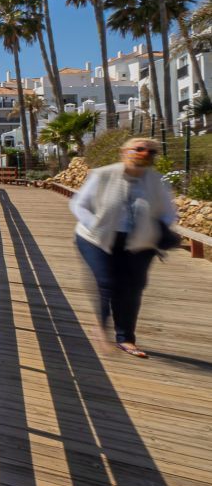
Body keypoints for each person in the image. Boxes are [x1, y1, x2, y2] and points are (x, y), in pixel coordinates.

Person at [70, 137, 177, 358]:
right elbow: (79, 204)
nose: (145, 154)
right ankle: (101, 327)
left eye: (151, 151)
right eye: (139, 149)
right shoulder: (103, 174)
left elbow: (168, 212)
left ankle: (125, 338)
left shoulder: (156, 181)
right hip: (95, 238)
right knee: (108, 282)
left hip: (139, 241)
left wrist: (157, 228)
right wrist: (96, 225)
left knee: (133, 288)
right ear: (124, 151)